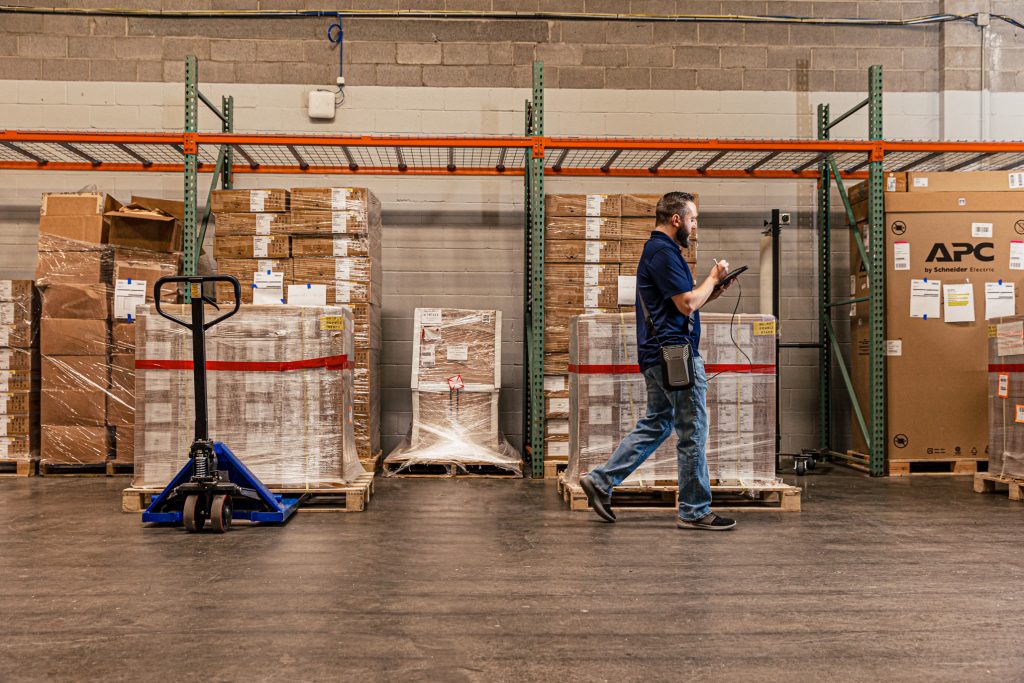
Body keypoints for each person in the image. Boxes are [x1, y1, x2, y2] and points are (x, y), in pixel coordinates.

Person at [580, 191, 737, 531]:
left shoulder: (662, 252)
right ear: (676, 219)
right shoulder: (663, 252)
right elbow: (685, 306)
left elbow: (682, 307)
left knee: (658, 422)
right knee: (693, 430)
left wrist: (714, 290)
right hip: (674, 355)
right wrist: (712, 277)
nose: (694, 227)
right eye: (692, 219)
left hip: (660, 353)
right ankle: (695, 510)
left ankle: (601, 481)